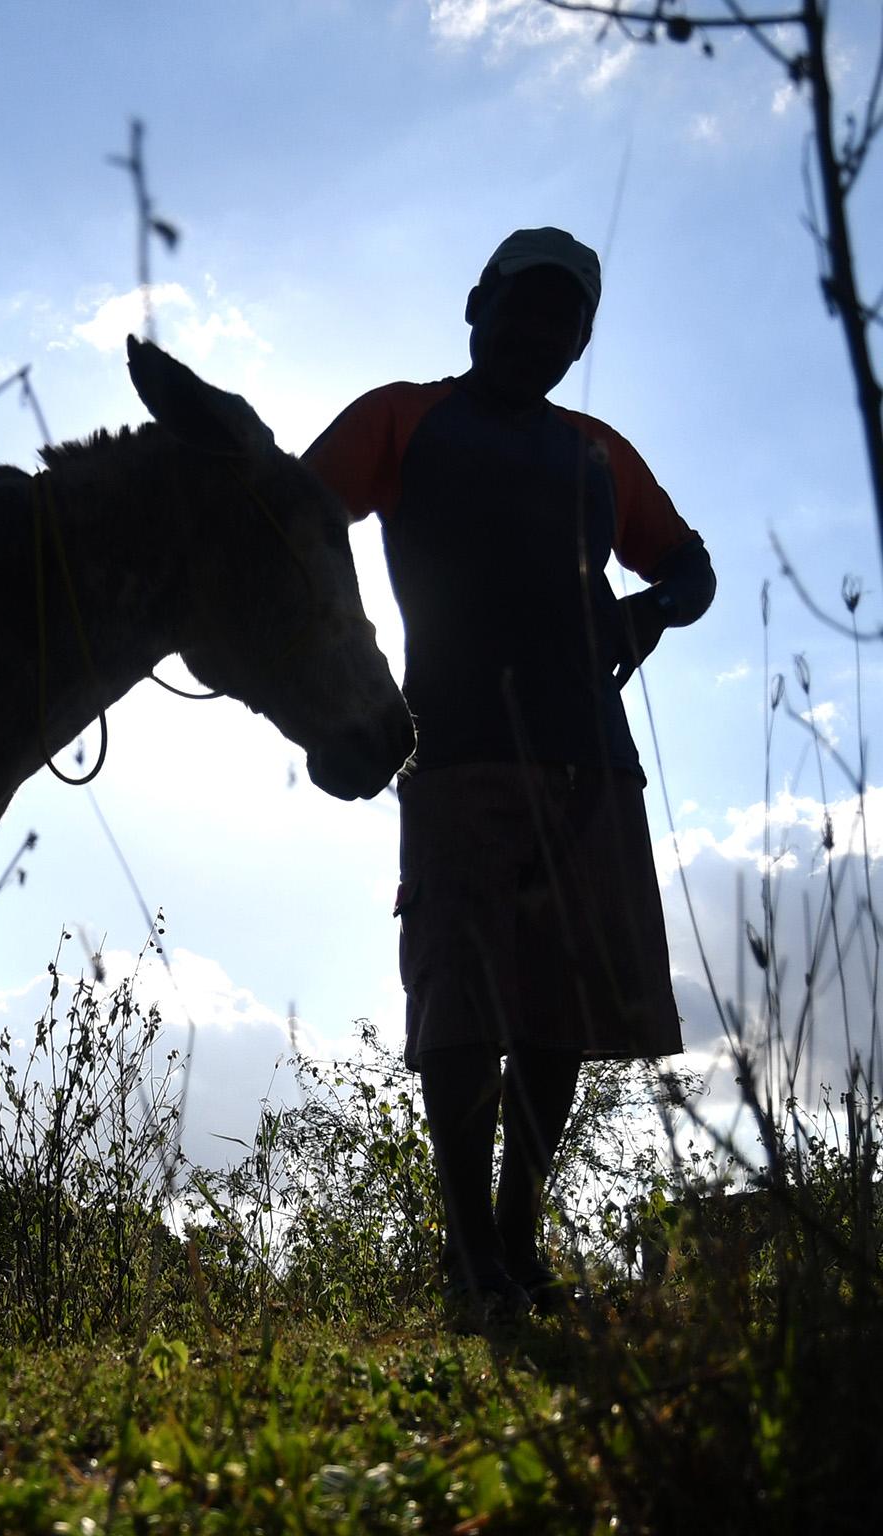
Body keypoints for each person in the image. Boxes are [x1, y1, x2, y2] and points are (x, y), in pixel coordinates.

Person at [304, 227, 716, 1325]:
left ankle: (517, 1244)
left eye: (564, 319)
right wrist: (340, 661)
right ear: (474, 305)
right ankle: (468, 1253)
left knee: (556, 1013)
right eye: (523, 307)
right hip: (449, 749)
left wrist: (649, 611)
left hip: (590, 756)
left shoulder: (596, 453)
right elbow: (292, 519)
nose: (541, 330)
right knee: (460, 996)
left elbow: (689, 564)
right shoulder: (400, 417)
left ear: (579, 340)